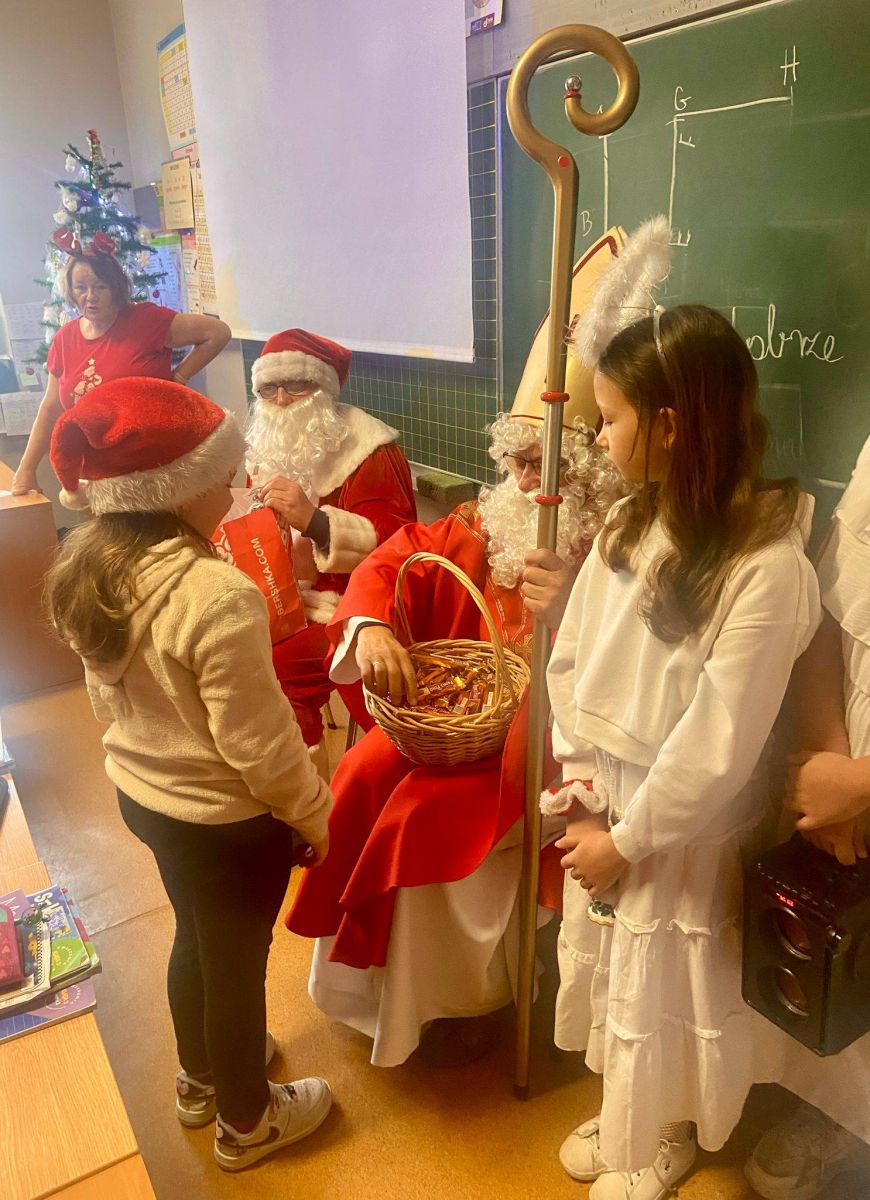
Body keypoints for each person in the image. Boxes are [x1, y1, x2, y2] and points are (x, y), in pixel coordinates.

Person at [546, 305, 820, 1199]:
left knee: (671, 982)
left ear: (668, 426)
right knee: (619, 972)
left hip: (683, 825)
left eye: (610, 418)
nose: (599, 436)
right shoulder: (630, 524)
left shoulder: (767, 567)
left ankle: (666, 1131)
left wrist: (628, 841)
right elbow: (572, 657)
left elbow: (718, 744)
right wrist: (581, 778)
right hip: (611, 799)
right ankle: (630, 1109)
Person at [284, 388, 624, 1067]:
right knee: (361, 769)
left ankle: (457, 1002)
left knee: (418, 817)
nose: (523, 481)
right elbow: (395, 557)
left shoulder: (618, 546)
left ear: (586, 469)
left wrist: (577, 605)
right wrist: (371, 626)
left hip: (552, 747)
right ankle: (366, 987)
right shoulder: (482, 522)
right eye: (515, 462)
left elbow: (636, 663)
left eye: (543, 465)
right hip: (457, 719)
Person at [44, 377, 333, 1172]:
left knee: (197, 938)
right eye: (222, 479)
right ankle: (248, 1122)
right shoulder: (217, 595)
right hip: (224, 823)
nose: (235, 493)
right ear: (175, 490)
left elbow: (107, 702)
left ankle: (200, 1079)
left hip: (145, 799)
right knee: (236, 963)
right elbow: (261, 747)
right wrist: (313, 812)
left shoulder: (89, 566)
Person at [744, 432, 870, 1200]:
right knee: (843, 961)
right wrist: (829, 765)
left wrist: (862, 786)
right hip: (843, 777)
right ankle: (838, 1116)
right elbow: (832, 610)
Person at [245, 328, 416, 747]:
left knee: (273, 672)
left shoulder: (369, 449)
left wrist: (315, 522)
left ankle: (299, 779)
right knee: (228, 650)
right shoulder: (263, 449)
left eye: (296, 385)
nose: (281, 399)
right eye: (268, 389)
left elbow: (398, 546)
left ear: (323, 389)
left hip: (354, 606)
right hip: (282, 596)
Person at [11, 237, 231, 495]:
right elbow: (51, 407)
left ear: (115, 287)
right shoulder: (64, 338)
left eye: (100, 286)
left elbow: (217, 333)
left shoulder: (147, 320)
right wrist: (26, 469)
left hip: (156, 470)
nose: (90, 297)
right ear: (71, 292)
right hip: (98, 478)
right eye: (81, 288)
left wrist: (179, 377)